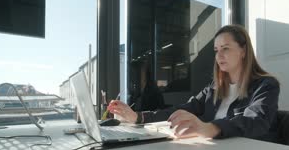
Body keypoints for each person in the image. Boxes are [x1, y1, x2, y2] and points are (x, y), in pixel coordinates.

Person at [108, 24, 280, 142]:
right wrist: (138, 116)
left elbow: (256, 121)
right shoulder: (213, 89)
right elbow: (181, 110)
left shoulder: (266, 85)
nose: (219, 56)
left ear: (243, 51)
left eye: (225, 48)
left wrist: (210, 128)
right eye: (216, 50)